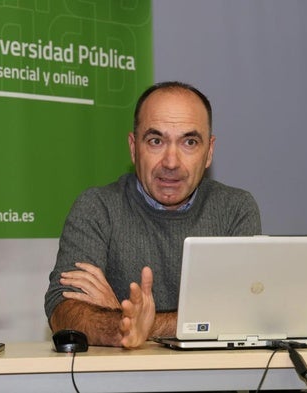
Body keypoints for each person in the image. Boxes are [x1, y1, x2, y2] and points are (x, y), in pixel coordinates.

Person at [44, 81, 261, 348]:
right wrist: (124, 326)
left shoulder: (235, 209)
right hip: (122, 385)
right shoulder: (97, 207)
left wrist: (137, 321)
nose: (171, 162)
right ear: (134, 148)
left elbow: (243, 315)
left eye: (189, 142)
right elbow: (64, 313)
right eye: (156, 141)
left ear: (209, 152)